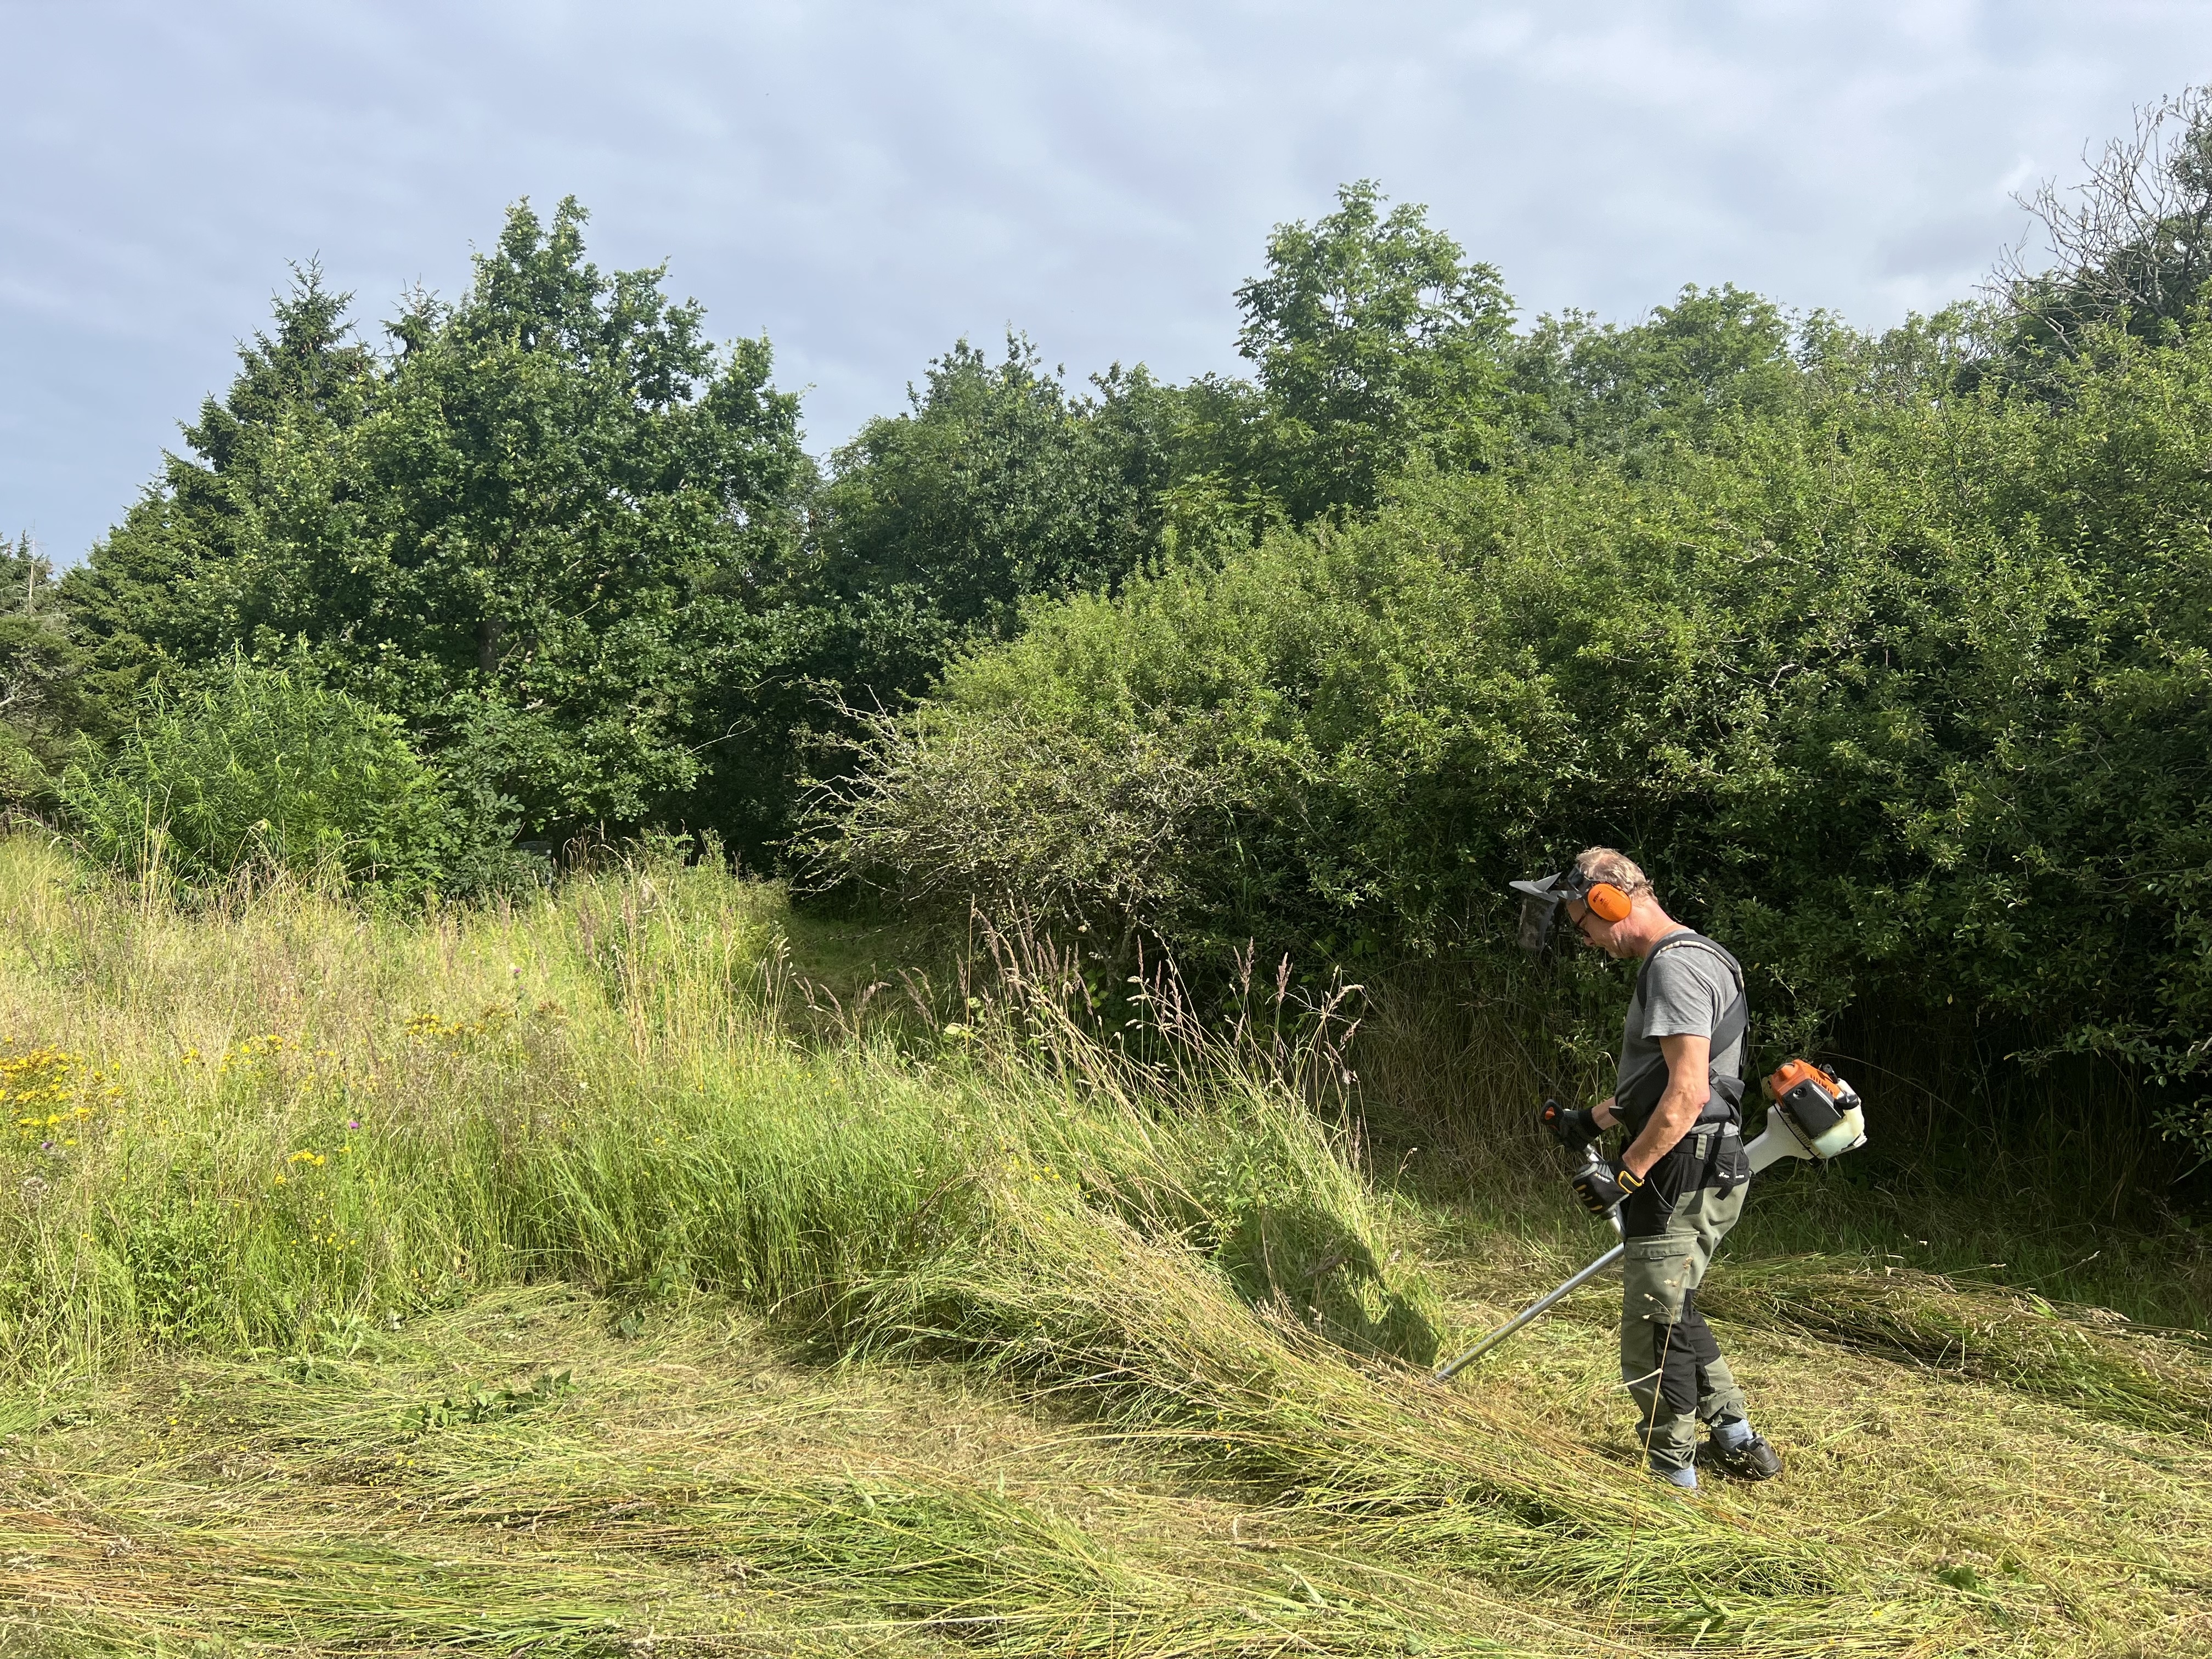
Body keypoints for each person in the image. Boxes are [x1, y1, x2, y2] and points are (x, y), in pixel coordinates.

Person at [1525, 847, 1782, 1489]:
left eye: (1582, 923)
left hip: (1681, 1162)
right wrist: (1594, 1120)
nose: (1584, 939)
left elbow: (1689, 1093)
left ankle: (1672, 1481)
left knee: (1653, 1325)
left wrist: (1626, 1172)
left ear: (1609, 900)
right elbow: (1666, 1078)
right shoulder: (1700, 957)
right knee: (1678, 1306)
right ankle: (1737, 1437)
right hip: (1701, 1156)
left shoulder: (1674, 969)